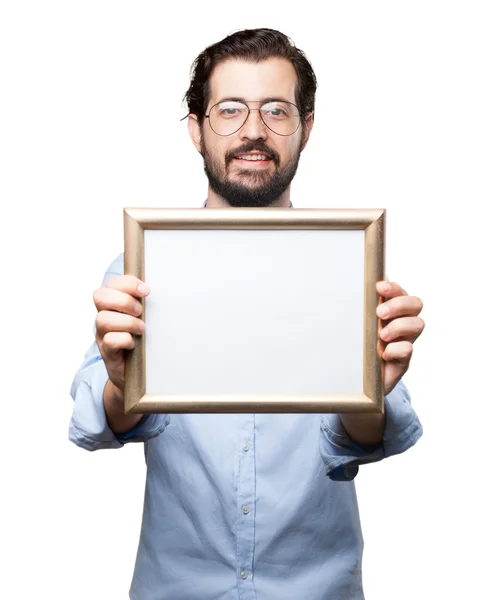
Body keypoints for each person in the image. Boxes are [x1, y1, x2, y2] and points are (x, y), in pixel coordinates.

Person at [69, 28, 425, 600]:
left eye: (277, 111)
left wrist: (370, 393)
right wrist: (120, 382)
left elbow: (372, 435)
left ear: (306, 128)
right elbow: (93, 423)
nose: (253, 131)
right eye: (229, 109)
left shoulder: (348, 267)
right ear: (196, 128)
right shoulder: (142, 264)